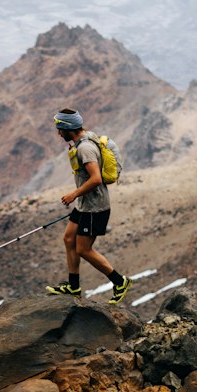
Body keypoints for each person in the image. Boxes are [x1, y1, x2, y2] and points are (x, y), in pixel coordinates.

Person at [46, 108, 132, 304]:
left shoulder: (85, 148)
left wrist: (73, 194)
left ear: (69, 128)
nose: (59, 133)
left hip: (95, 207)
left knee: (84, 249)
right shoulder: (86, 137)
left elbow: (95, 179)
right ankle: (73, 286)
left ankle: (120, 282)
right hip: (84, 204)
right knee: (69, 238)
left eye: (60, 129)